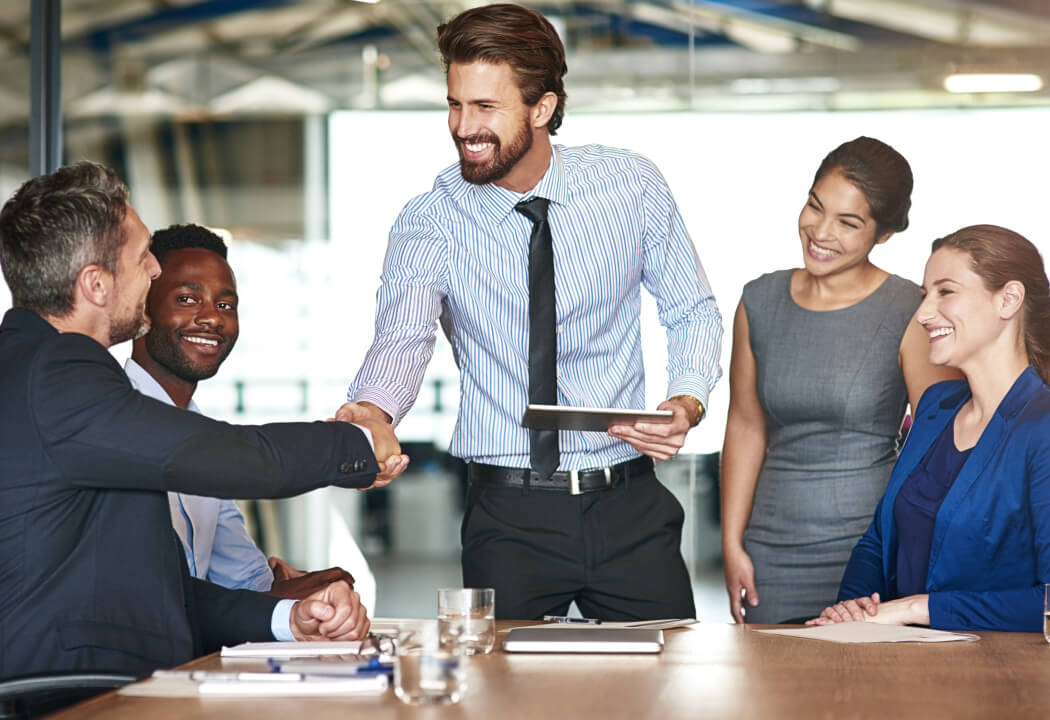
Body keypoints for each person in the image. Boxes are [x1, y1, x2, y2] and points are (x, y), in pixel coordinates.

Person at [345, 3, 722, 620]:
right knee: (503, 699)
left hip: (628, 504)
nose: (463, 127)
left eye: (486, 108)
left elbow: (692, 309)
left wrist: (687, 400)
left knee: (662, 691)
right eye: (455, 104)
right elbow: (403, 340)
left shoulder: (631, 186)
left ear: (542, 109)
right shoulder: (429, 220)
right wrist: (371, 409)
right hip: (508, 517)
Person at [0, 161, 408, 678]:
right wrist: (355, 441)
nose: (153, 271)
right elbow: (223, 456)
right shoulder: (59, 370)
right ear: (96, 284)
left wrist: (289, 619)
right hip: (70, 691)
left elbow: (158, 590)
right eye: (142, 256)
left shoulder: (32, 369)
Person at [720, 137, 960, 624]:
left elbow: (938, 445)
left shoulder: (909, 310)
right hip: (770, 552)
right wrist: (731, 543)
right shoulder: (758, 301)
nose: (821, 232)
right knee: (769, 696)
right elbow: (746, 426)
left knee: (864, 697)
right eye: (815, 206)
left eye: (848, 223)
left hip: (867, 553)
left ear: (884, 234)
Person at [811, 225, 1050, 631]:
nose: (922, 314)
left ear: (1008, 300)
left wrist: (917, 609)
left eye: (946, 292)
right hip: (900, 666)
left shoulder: (1042, 426)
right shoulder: (937, 406)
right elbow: (878, 539)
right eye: (925, 295)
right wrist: (852, 609)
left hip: (1000, 682)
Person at [126, 223, 362, 600]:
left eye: (226, 305)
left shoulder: (203, 437)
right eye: (187, 299)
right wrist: (358, 443)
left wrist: (314, 587)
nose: (213, 318)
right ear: (141, 308)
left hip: (192, 656)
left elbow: (245, 581)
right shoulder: (115, 421)